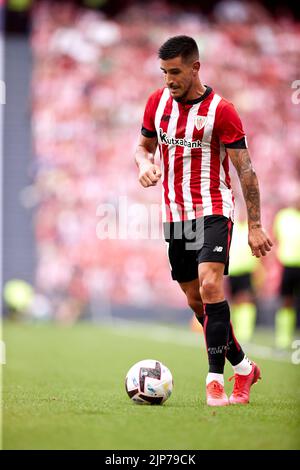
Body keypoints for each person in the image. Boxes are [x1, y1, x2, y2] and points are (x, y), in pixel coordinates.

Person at [134, 36, 273, 406]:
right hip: (175, 214)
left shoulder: (222, 111)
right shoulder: (156, 102)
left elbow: (246, 171)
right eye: (164, 72)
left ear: (195, 67)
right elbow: (143, 146)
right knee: (198, 303)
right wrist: (145, 164)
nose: (168, 80)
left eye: (175, 71)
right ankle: (244, 368)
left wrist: (255, 225)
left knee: (212, 285)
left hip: (213, 208)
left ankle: (215, 382)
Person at [273, 197, 300, 349]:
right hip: (288, 265)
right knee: (286, 301)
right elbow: (276, 238)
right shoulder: (283, 216)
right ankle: (283, 338)